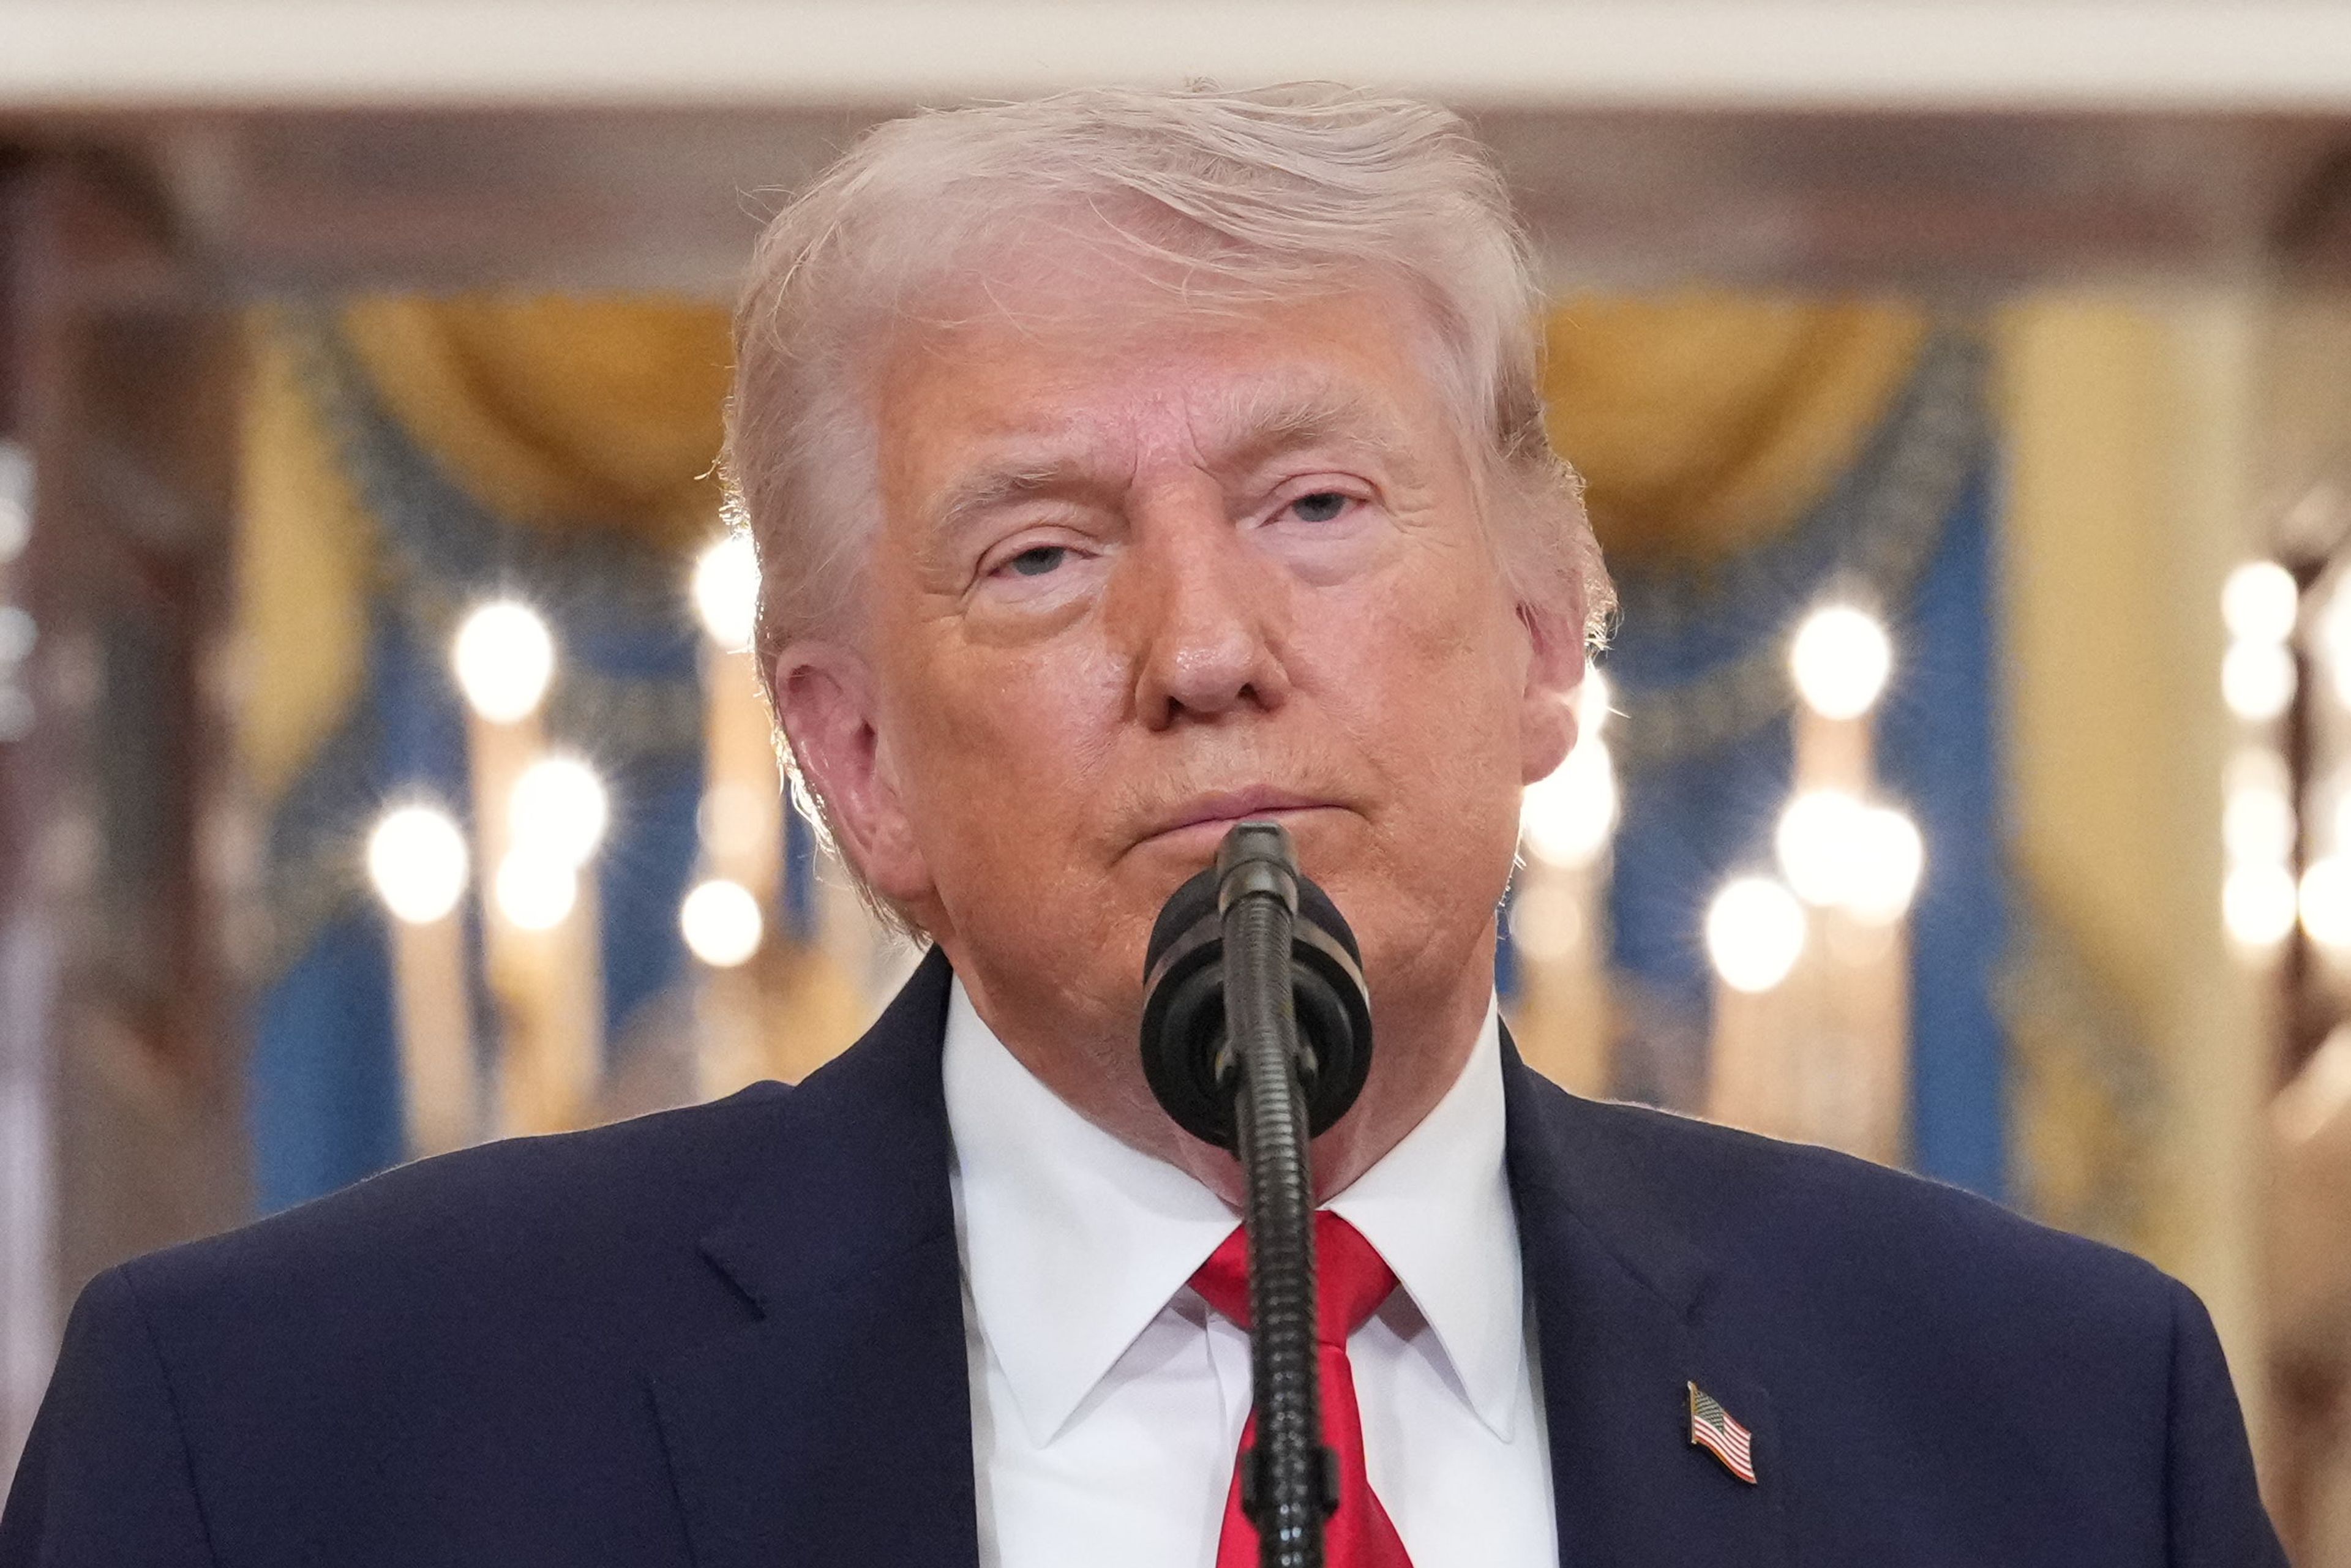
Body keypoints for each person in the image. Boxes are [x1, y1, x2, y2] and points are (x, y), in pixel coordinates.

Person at [0, 84, 2284, 1568]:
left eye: (1312, 503)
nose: (1205, 645)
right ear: (856, 758)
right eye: (1042, 551)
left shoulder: (2064, 1433)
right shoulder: (290, 1444)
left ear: (1544, 632)